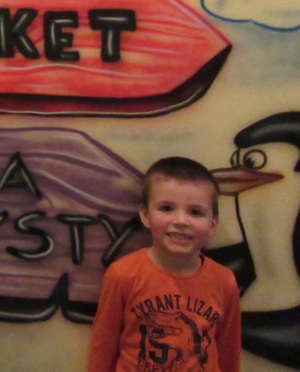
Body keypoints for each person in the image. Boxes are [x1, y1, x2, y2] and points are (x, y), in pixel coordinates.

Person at [87, 156, 241, 371]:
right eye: (167, 208)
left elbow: (229, 352)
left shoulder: (224, 281)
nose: (181, 221)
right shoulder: (122, 275)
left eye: (195, 212)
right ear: (145, 215)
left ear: (213, 224)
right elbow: (102, 347)